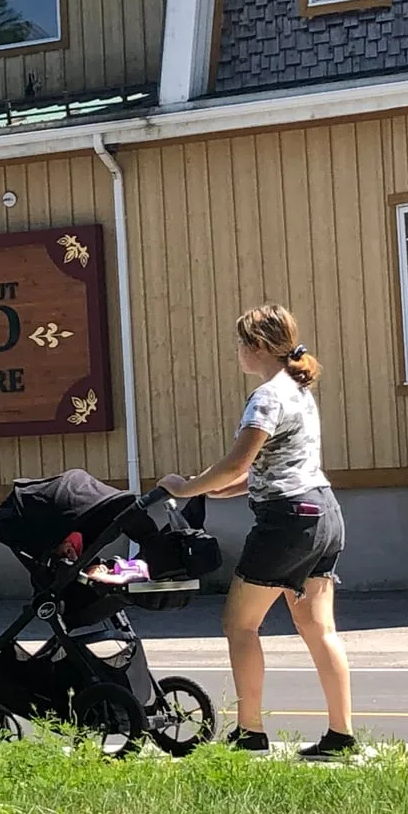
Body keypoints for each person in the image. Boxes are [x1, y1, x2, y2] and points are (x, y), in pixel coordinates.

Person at [157, 303, 353, 760]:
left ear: (258, 346)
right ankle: (341, 736)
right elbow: (265, 472)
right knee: (318, 628)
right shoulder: (299, 390)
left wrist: (185, 488)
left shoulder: (266, 396)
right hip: (323, 513)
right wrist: (219, 491)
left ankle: (250, 733)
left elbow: (235, 464)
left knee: (239, 623)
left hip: (287, 523)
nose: (238, 353)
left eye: (241, 344)